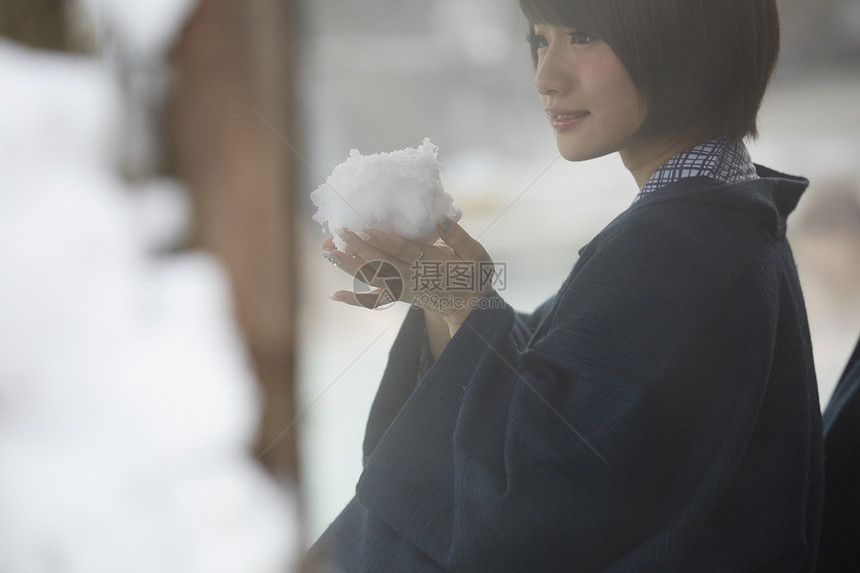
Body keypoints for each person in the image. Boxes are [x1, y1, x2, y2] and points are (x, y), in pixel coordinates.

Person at [307, 0, 824, 570]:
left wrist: (465, 303)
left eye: (582, 36)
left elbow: (528, 516)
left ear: (687, 41)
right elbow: (561, 382)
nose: (544, 78)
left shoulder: (676, 245)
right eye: (538, 39)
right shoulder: (713, 219)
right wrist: (446, 297)